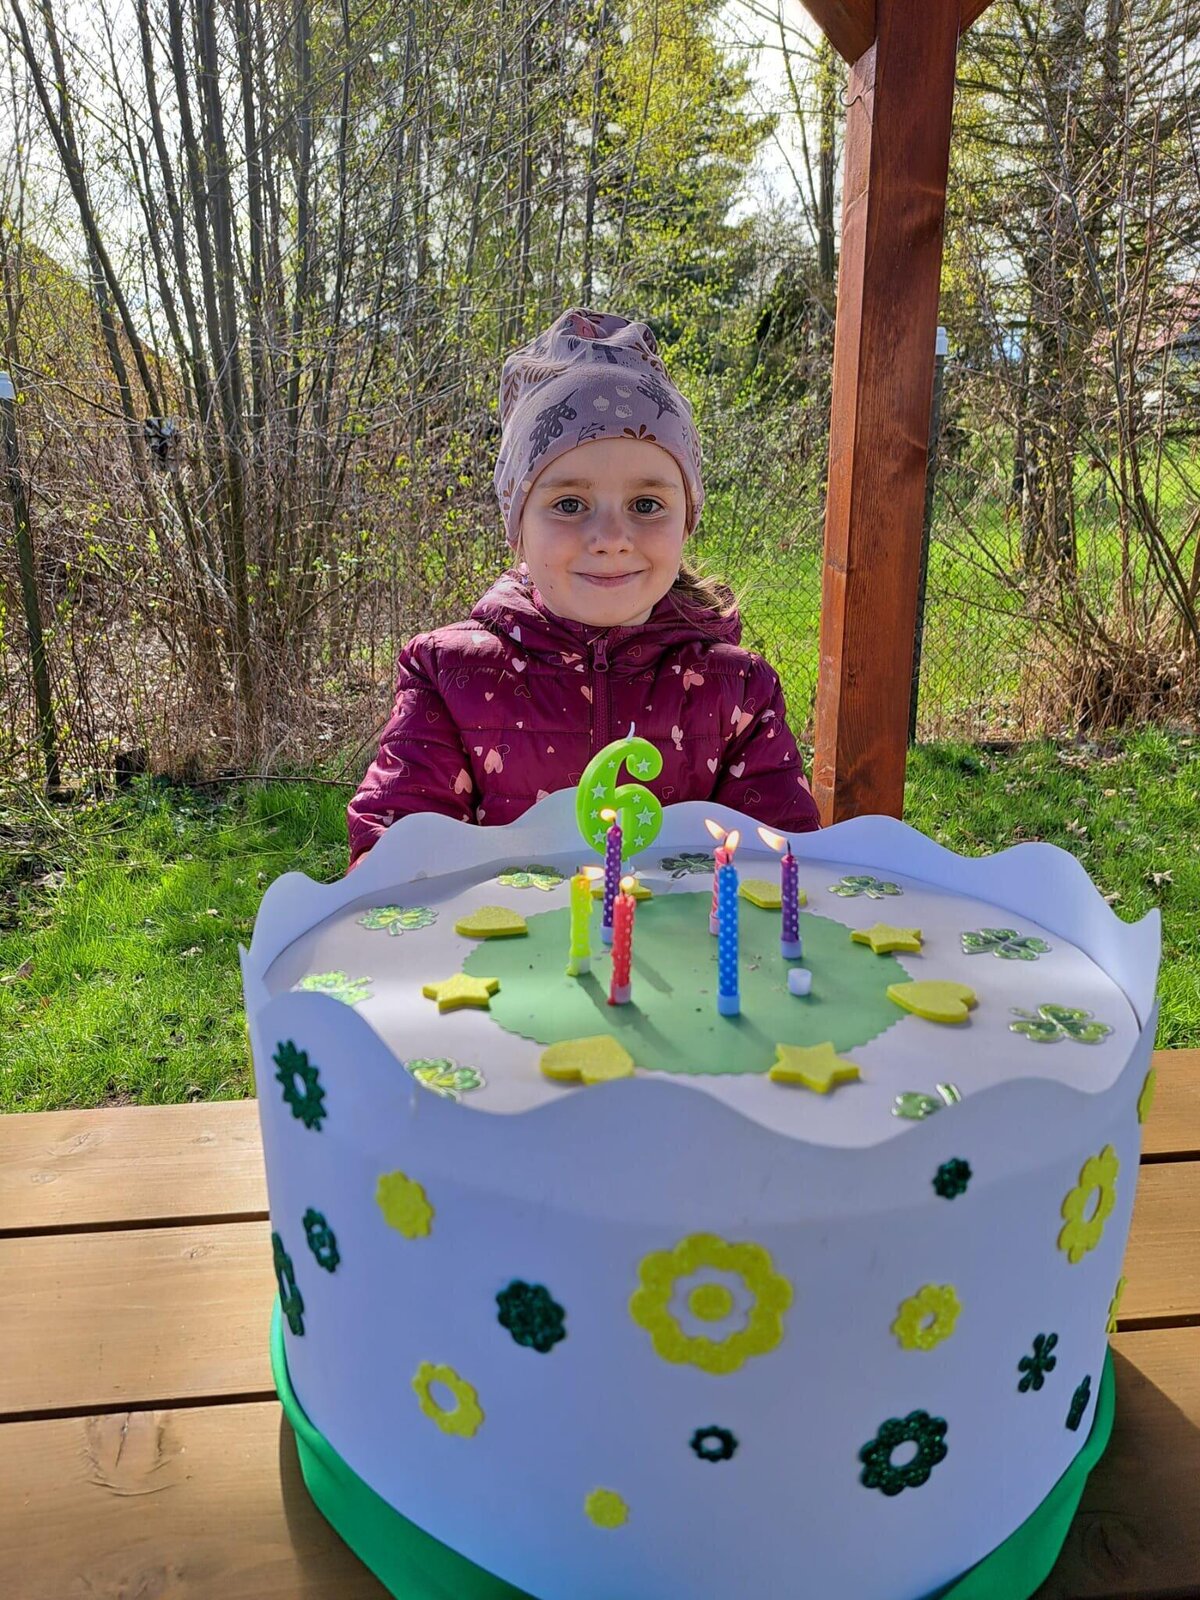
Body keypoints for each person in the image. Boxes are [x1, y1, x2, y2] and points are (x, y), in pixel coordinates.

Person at [346, 307, 820, 870]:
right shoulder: (450, 677)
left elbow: (781, 866)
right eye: (569, 504)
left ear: (686, 522)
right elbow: (396, 859)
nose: (612, 538)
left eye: (647, 504)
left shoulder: (736, 692)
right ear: (517, 526)